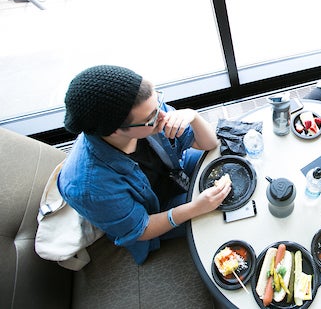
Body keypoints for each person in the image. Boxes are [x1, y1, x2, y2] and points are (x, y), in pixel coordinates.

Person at [58, 65, 231, 264]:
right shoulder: (91, 187)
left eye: (159, 104)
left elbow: (208, 143)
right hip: (154, 212)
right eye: (151, 118)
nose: (163, 117)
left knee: (229, 163)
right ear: (115, 131)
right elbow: (141, 229)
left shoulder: (150, 113)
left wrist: (193, 116)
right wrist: (196, 208)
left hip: (175, 172)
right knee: (225, 208)